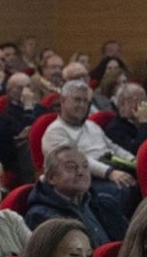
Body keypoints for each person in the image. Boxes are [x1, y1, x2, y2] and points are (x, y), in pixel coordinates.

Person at [39, 80, 134, 209]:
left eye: (85, 101)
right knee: (123, 190)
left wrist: (133, 160)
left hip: (109, 168)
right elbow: (77, 162)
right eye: (77, 100)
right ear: (62, 101)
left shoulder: (92, 125)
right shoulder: (55, 131)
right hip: (80, 180)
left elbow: (113, 147)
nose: (82, 105)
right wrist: (110, 173)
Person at [104, 82, 147, 156]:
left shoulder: (141, 123)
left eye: (145, 100)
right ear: (123, 103)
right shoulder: (114, 128)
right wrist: (144, 123)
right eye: (140, 100)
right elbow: (136, 151)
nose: (144, 105)